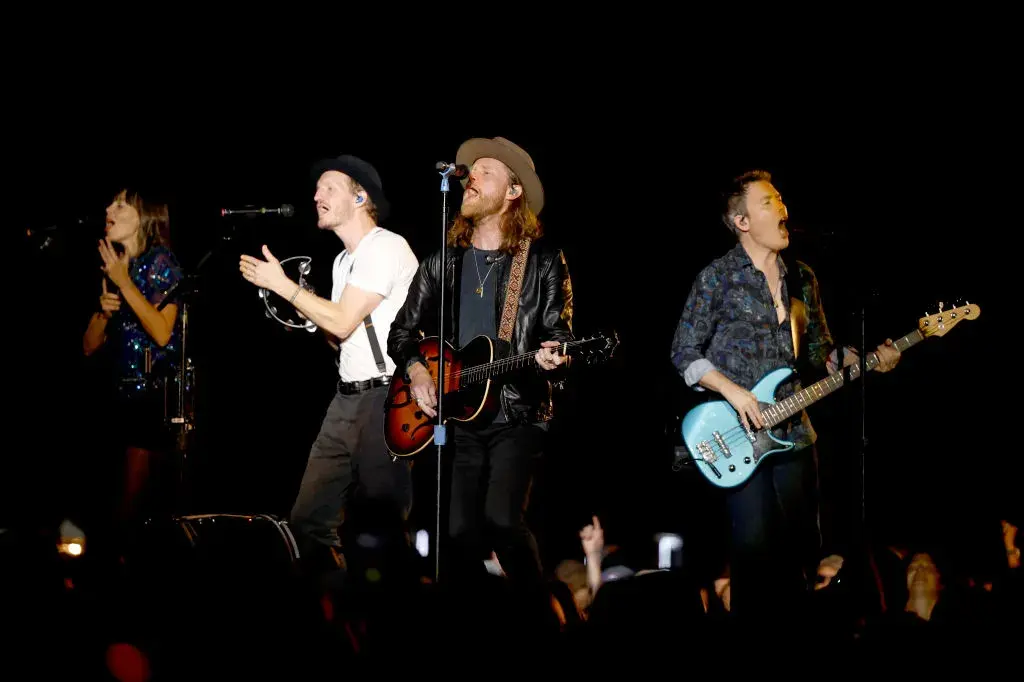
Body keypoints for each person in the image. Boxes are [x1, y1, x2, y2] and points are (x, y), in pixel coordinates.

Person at [670, 169, 901, 627]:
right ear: (741, 221)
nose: (782, 207)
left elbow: (819, 352)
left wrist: (867, 358)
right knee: (754, 552)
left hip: (795, 435)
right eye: (769, 201)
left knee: (801, 550)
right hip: (739, 433)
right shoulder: (717, 278)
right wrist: (734, 392)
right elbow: (683, 351)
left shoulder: (802, 278)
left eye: (780, 199)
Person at [387, 136, 574, 585]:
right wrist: (416, 370)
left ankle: (542, 607)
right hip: (459, 415)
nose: (471, 178)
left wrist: (555, 358)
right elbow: (401, 332)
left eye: (485, 171)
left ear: (513, 191)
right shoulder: (444, 261)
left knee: (502, 522)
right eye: (470, 172)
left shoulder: (543, 260)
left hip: (517, 410)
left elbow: (559, 335)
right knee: (456, 533)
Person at [239, 154, 417, 573]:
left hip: (388, 399)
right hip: (346, 400)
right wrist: (305, 314)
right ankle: (330, 604)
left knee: (383, 528)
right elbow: (340, 336)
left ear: (360, 197)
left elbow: (341, 319)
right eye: (317, 189)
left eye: (328, 188)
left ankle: (398, 606)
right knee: (308, 521)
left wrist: (284, 286)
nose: (317, 195)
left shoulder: (385, 246)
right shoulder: (342, 261)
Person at [82, 187, 183, 533]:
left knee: (130, 513)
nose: (109, 208)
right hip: (118, 399)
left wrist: (125, 285)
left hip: (151, 403)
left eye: (121, 204)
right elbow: (89, 346)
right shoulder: (120, 266)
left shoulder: (161, 262)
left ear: (145, 217)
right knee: (108, 505)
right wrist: (103, 312)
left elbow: (163, 333)